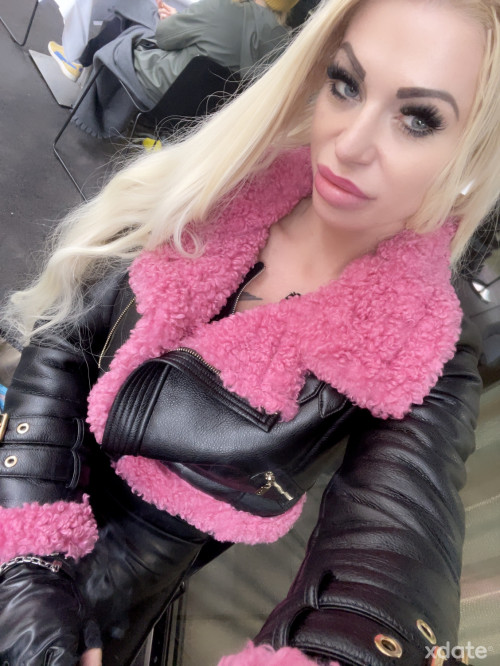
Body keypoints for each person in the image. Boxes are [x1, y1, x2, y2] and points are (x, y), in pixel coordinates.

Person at [0, 0, 499, 664]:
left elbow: (400, 548)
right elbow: (68, 336)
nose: (349, 144)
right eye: (346, 83)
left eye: (417, 119)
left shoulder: (424, 345)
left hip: (113, 591)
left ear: (474, 155)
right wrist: (28, 554)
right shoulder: (229, 176)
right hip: (24, 479)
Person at [68, 0, 293, 138]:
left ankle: (82, 65)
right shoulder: (284, 45)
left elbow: (164, 37)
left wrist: (180, 21)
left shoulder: (224, 7)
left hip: (161, 91)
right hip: (210, 121)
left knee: (131, 21)